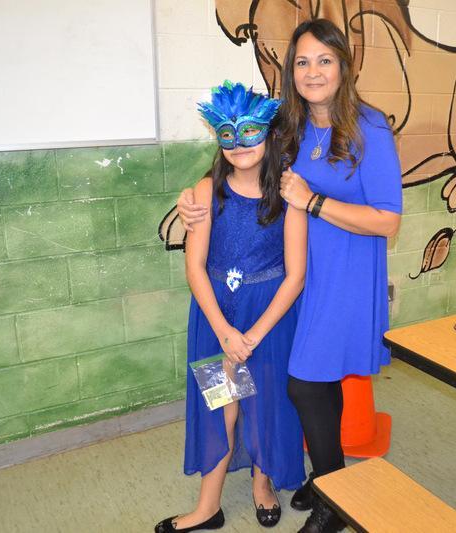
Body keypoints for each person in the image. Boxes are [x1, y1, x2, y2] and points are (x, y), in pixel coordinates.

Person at [177, 19, 402, 533]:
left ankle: (333, 499)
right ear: (290, 70)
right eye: (302, 61)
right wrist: (190, 198)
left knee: (303, 383)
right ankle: (326, 477)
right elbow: (237, 163)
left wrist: (315, 202)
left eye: (325, 60)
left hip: (339, 274)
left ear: (344, 66)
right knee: (309, 381)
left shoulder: (369, 127)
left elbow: (388, 220)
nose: (313, 71)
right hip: (287, 274)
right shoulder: (288, 126)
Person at [155, 81, 307, 533]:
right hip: (216, 314)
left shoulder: (289, 194)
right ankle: (208, 506)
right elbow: (195, 267)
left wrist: (254, 336)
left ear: (269, 134)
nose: (239, 144)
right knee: (222, 404)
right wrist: (224, 331)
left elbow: (296, 275)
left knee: (266, 402)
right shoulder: (206, 191)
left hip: (270, 317)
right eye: (228, 134)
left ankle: (263, 484)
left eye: (249, 133)